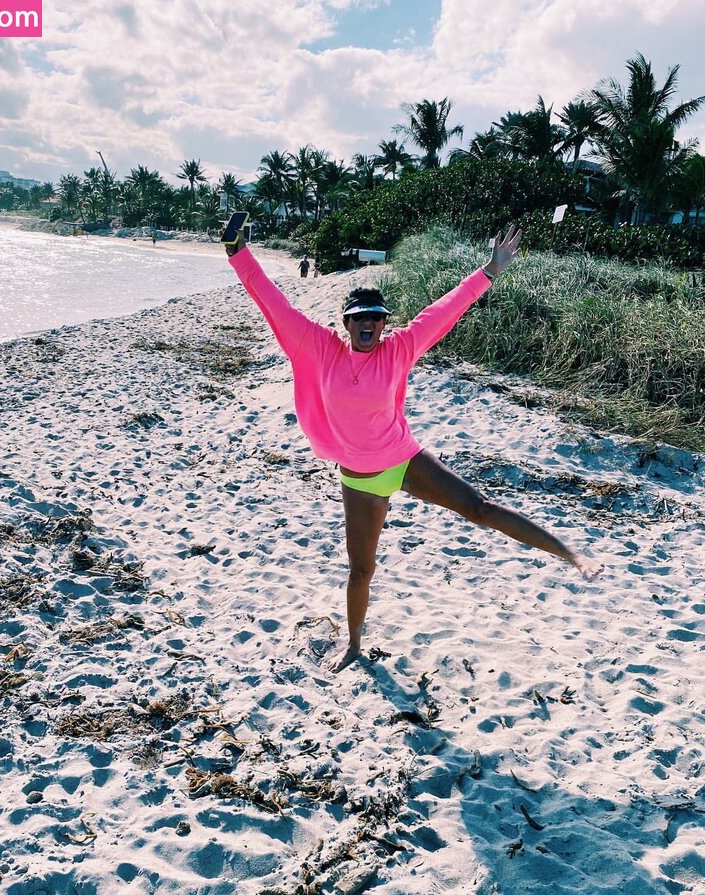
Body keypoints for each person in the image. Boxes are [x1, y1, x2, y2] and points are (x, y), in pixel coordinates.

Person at [225, 228, 603, 672]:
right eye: (359, 317)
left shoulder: (398, 348)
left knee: (479, 507)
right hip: (360, 479)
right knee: (361, 571)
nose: (368, 323)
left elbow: (443, 311)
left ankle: (571, 554)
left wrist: (490, 271)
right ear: (345, 322)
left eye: (376, 317)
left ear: (384, 322)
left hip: (404, 460)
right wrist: (238, 254)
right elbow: (274, 304)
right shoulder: (318, 348)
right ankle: (353, 645)